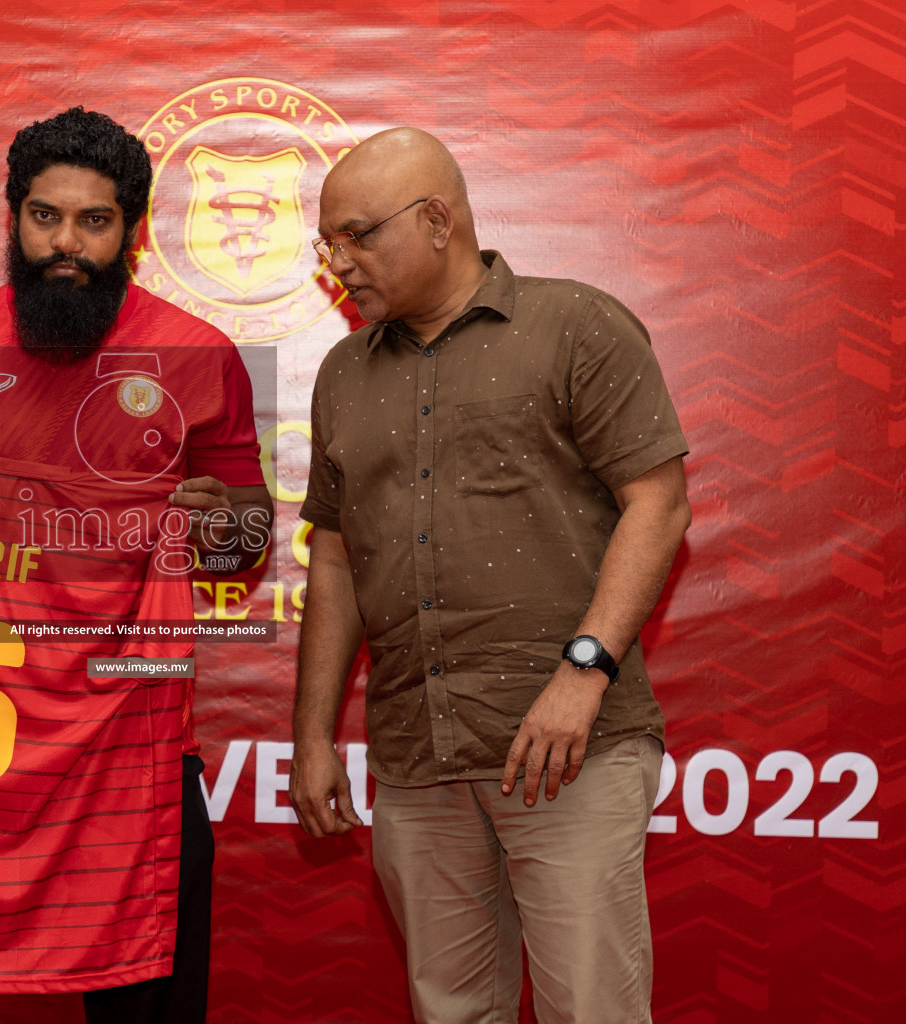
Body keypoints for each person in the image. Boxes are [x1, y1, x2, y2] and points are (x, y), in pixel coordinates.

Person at [0, 107, 274, 1023]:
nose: (67, 243)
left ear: (131, 231)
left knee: (146, 1009)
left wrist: (220, 528)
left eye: (94, 222)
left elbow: (246, 534)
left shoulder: (199, 354)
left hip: (132, 748)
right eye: (45, 216)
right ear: (12, 217)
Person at [288, 128, 691, 1024]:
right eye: (329, 243)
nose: (340, 261)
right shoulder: (342, 374)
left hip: (567, 749)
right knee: (452, 1011)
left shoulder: (577, 324)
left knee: (593, 1009)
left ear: (437, 219)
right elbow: (339, 561)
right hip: (416, 754)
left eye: (357, 234)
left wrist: (584, 671)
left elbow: (658, 506)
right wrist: (313, 735)